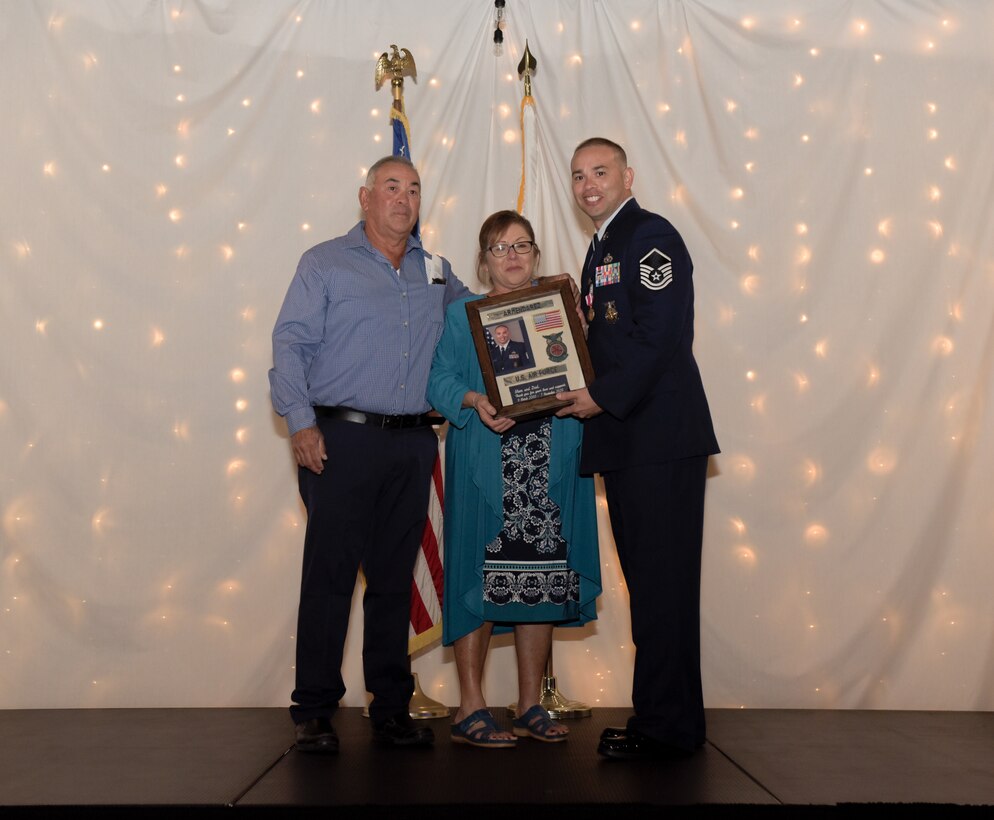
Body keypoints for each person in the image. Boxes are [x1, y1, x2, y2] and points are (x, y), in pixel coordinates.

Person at [269, 155, 472, 753]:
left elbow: (481, 317)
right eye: (391, 187)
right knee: (329, 578)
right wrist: (301, 424)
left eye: (413, 190)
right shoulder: (324, 263)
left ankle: (390, 707)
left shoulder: (436, 270)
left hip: (412, 443)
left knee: (392, 581)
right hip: (340, 440)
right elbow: (290, 345)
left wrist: (540, 304)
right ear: (365, 197)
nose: (404, 199)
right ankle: (313, 708)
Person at [556, 138, 719, 760]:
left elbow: (660, 336)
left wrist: (601, 396)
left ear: (628, 175)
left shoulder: (650, 236)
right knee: (652, 588)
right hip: (632, 440)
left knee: (664, 587)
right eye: (578, 176)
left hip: (657, 439)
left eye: (600, 172)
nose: (589, 184)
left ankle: (666, 727)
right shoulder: (603, 246)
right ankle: (665, 719)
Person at [427, 210, 601, 748]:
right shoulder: (461, 315)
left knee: (541, 575)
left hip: (549, 457)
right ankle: (471, 706)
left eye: (522, 245)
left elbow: (586, 372)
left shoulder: (562, 310)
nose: (512, 256)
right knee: (477, 576)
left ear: (537, 256)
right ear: (483, 262)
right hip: (487, 459)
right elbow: (438, 380)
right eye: (500, 248)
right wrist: (476, 400)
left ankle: (529, 703)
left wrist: (583, 332)